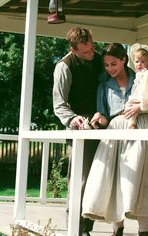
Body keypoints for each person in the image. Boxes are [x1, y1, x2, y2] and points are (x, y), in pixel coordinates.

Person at [82, 43, 148, 236]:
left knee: (139, 177)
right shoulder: (104, 86)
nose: (110, 69)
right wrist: (100, 118)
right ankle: (117, 226)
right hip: (116, 129)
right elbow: (106, 115)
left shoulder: (141, 75)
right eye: (106, 65)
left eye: (113, 63)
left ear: (124, 60)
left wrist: (140, 108)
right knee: (115, 176)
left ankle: (144, 230)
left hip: (139, 127)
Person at [52, 26, 103, 236]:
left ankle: (88, 227)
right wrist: (74, 119)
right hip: (80, 130)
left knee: (100, 179)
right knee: (81, 180)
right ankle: (77, 228)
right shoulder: (64, 67)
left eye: (92, 48)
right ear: (73, 50)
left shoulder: (101, 59)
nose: (91, 54)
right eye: (85, 52)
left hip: (104, 127)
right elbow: (59, 104)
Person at [125, 43, 148, 128]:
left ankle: (134, 123)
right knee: (128, 105)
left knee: (141, 109)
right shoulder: (138, 74)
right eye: (137, 61)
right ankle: (132, 123)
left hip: (146, 99)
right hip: (137, 97)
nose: (139, 64)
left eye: (143, 61)